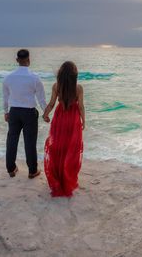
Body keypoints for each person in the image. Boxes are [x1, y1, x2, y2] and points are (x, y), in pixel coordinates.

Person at [43, 61, 85, 197]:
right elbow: (81, 106)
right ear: (74, 75)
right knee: (71, 148)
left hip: (60, 117)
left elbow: (51, 103)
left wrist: (45, 114)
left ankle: (58, 177)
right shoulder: (78, 88)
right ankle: (67, 177)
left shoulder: (56, 86)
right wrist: (84, 120)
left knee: (58, 147)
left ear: (61, 74)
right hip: (73, 119)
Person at [2, 49, 46, 178]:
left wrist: (5, 111)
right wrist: (46, 113)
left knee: (11, 140)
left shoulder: (8, 78)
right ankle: (32, 171)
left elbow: (5, 97)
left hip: (14, 112)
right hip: (29, 113)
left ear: (17, 60)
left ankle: (11, 168)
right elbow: (41, 99)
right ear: (29, 60)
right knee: (30, 142)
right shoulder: (34, 78)